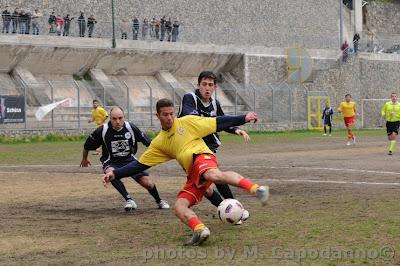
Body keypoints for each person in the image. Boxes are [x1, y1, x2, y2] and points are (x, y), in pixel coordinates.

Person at [103, 98, 269, 246]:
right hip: (192, 173)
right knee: (179, 206)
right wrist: (115, 174)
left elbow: (217, 122)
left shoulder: (187, 122)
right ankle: (200, 229)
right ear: (157, 115)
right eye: (165, 114)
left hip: (202, 158)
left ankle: (257, 189)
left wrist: (243, 118)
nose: (169, 117)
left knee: (213, 175)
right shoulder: (159, 143)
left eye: (171, 114)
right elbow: (139, 165)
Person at [178, 71, 251, 224]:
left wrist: (236, 129)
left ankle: (232, 210)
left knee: (212, 181)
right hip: (191, 149)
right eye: (204, 84)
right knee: (213, 182)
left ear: (215, 87)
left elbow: (221, 121)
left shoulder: (215, 104)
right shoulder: (190, 99)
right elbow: (194, 121)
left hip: (207, 148)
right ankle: (233, 210)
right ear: (198, 85)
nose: (207, 88)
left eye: (210, 85)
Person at [81, 107, 170, 211]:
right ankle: (129, 200)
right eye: (114, 119)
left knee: (148, 184)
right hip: (111, 161)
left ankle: (159, 200)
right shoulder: (102, 130)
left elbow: (148, 143)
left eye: (120, 118)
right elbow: (87, 145)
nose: (117, 121)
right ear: (110, 118)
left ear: (124, 117)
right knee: (110, 173)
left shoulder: (131, 128)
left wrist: (162, 152)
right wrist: (84, 159)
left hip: (130, 161)